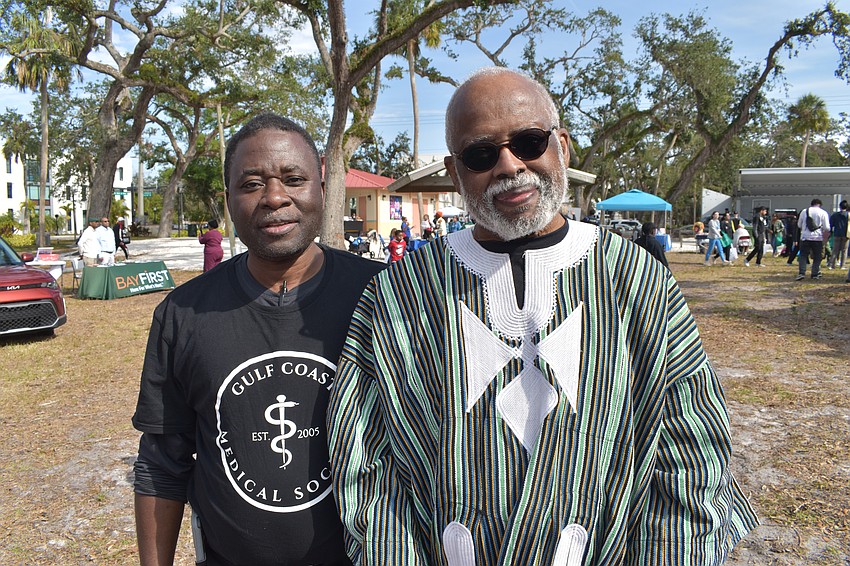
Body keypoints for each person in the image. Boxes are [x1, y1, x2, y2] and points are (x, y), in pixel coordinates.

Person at [328, 67, 757, 565]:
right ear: (455, 170)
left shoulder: (635, 279)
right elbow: (365, 458)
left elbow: (690, 451)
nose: (509, 166)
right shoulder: (404, 290)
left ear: (562, 147)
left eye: (529, 142)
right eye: (481, 154)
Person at [132, 113, 384, 566]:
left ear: (322, 190)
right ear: (227, 199)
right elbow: (161, 464)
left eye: (293, 178)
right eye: (251, 184)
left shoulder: (383, 297)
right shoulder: (183, 314)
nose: (274, 197)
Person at [796, 198, 831, 280]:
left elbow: (799, 225)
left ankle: (802, 273)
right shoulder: (823, 212)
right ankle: (814, 274)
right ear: (820, 205)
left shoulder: (804, 211)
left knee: (803, 255)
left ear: (811, 204)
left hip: (805, 237)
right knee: (817, 256)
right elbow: (827, 227)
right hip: (817, 238)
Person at [827, 200, 848, 269]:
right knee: (844, 251)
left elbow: (830, 224)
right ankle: (842, 265)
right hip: (846, 234)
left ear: (840, 207)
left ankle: (831, 265)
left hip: (837, 234)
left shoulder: (835, 215)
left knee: (835, 250)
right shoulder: (848, 215)